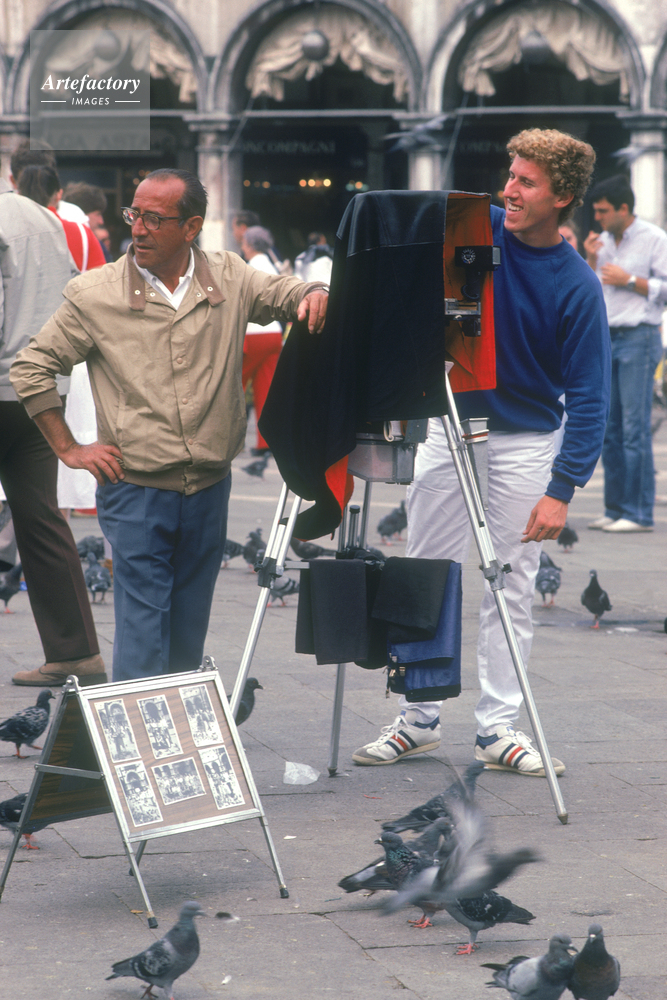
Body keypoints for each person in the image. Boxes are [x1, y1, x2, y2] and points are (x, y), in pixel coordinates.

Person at [353, 128, 610, 776]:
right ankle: (418, 718)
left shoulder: (577, 285)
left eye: (526, 182)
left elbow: (590, 396)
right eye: (510, 175)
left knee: (512, 586)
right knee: (425, 571)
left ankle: (497, 727)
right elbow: (399, 228)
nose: (509, 190)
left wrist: (562, 489)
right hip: (450, 423)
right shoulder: (475, 227)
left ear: (563, 197)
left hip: (525, 440)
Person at [11, 168, 329, 683]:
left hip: (209, 488)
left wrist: (313, 290)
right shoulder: (96, 293)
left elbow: (283, 292)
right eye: (133, 214)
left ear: (191, 226)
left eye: (154, 219)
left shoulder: (230, 275)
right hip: (134, 489)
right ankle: (137, 731)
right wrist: (70, 449)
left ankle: (175, 728)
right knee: (142, 632)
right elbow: (31, 367)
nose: (137, 228)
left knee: (188, 632)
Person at [0, 168, 106, 688]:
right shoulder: (43, 217)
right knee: (41, 516)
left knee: (39, 515)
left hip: (4, 379)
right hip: (41, 388)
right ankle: (75, 652)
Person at [18, 163, 106, 519]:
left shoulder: (9, 230)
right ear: (58, 193)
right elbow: (102, 294)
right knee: (57, 462)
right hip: (67, 355)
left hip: (14, 355)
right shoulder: (78, 233)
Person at [583, 175, 667, 533]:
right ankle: (615, 508)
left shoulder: (654, 238)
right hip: (607, 335)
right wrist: (590, 258)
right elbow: (590, 289)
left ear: (623, 209)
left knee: (635, 429)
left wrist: (629, 280)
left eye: (603, 211)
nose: (597, 217)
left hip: (639, 335)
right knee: (609, 428)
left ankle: (638, 513)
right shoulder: (601, 241)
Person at [241, 226, 286, 455]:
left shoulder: (249, 268)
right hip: (273, 333)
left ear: (249, 245)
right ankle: (265, 442)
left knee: (232, 387)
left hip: (253, 334)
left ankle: (225, 439)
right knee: (265, 389)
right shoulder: (271, 265)